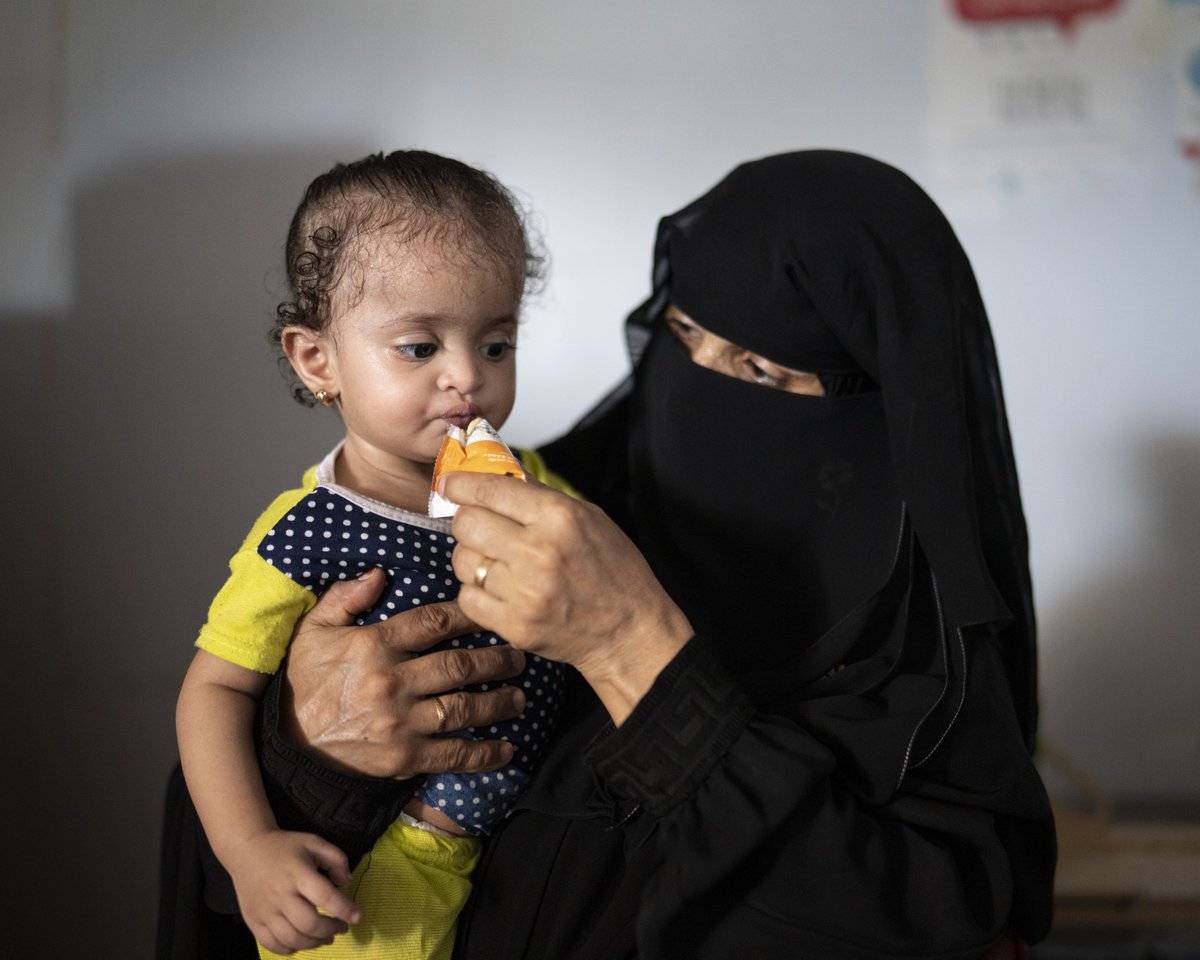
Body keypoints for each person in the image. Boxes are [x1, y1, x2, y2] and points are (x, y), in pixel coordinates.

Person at [163, 149, 1056, 959]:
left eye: (761, 373)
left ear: (887, 410)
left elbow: (896, 922)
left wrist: (633, 647)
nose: (698, 380)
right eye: (682, 334)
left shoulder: (920, 679)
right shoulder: (543, 504)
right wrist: (313, 748)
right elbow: (228, 818)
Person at [173, 150, 571, 960]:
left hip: (526, 858)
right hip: (376, 878)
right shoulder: (308, 528)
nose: (468, 378)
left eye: (497, 344)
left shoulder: (533, 483)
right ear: (319, 361)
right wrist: (249, 852)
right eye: (419, 348)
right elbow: (213, 691)